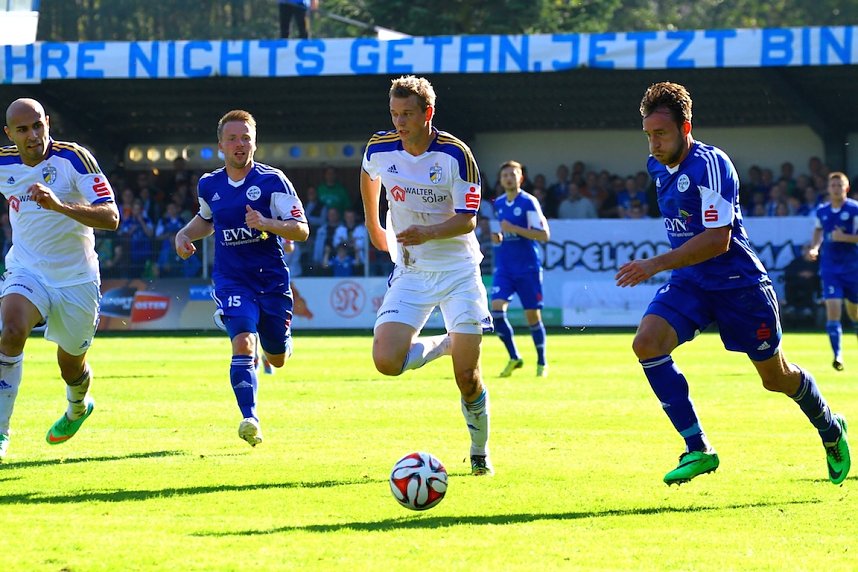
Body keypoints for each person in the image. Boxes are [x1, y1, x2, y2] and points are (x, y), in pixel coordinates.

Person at [615, 82, 850, 486]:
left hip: (739, 285)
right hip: (691, 282)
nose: (653, 144)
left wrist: (654, 264)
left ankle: (830, 428)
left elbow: (717, 238)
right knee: (646, 343)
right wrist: (668, 267)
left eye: (661, 134)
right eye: (649, 135)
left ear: (686, 127)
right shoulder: (657, 166)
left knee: (775, 377)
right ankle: (698, 448)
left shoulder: (711, 164)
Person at [360, 75, 494, 476]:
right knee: (386, 361)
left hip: (458, 271)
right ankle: (445, 343)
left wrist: (428, 232)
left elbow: (468, 220)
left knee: (467, 378)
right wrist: (373, 226)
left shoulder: (456, 155)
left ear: (427, 114)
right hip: (412, 269)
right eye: (394, 114)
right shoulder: (380, 147)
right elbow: (369, 176)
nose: (400, 123)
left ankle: (479, 452)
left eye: (407, 115)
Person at [175, 109, 309, 447]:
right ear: (220, 145)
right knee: (243, 342)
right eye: (232, 138)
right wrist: (183, 235)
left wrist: (267, 224)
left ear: (254, 142)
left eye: (246, 137)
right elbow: (207, 220)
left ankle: (278, 348)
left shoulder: (273, 181)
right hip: (232, 279)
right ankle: (250, 417)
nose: (240, 144)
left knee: (276, 355)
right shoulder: (209, 184)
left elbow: (301, 229)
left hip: (272, 280)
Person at [0, 98, 120, 461]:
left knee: (71, 365)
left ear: (48, 123)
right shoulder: (3, 161)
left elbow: (112, 216)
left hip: (76, 279)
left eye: (38, 125)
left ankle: (77, 406)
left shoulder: (74, 159)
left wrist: (60, 205)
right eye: (23, 129)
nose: (33, 135)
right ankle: (1, 433)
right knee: (10, 331)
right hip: (27, 269)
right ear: (10, 134)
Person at [490, 160, 551, 378]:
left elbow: (544, 235)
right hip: (505, 267)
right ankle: (514, 357)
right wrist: (500, 236)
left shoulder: (529, 202)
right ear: (500, 179)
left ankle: (542, 363)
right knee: (496, 310)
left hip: (527, 268)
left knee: (532, 317)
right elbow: (505, 232)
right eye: (505, 175)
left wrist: (513, 228)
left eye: (513, 174)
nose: (508, 178)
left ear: (521, 178)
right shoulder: (497, 203)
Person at [807, 172, 858, 371]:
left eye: (839, 185)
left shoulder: (854, 209)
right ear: (828, 189)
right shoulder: (822, 211)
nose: (836, 188)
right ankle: (837, 355)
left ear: (846, 188)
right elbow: (819, 231)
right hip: (830, 268)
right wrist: (814, 247)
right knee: (833, 311)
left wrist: (844, 237)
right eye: (833, 185)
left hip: (853, 268)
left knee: (854, 312)